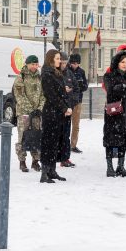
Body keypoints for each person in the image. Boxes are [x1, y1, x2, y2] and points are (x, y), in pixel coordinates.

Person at [39, 49, 73, 183]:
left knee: (56, 142)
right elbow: (51, 95)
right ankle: (44, 172)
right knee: (48, 143)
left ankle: (52, 170)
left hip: (59, 113)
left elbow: (62, 93)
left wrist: (67, 106)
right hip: (51, 113)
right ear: (51, 59)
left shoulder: (57, 73)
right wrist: (64, 107)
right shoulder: (47, 74)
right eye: (58, 58)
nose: (60, 61)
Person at [102, 50, 126, 178]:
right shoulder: (109, 75)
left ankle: (120, 166)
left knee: (124, 139)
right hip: (113, 112)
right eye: (122, 62)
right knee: (110, 139)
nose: (124, 64)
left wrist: (125, 85)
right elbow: (111, 90)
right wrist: (123, 86)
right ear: (117, 62)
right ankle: (109, 167)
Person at [12, 54, 44, 173]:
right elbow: (20, 96)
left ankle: (35, 161)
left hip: (37, 113)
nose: (34, 66)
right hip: (24, 113)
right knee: (23, 137)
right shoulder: (21, 77)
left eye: (36, 64)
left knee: (36, 136)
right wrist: (30, 110)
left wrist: (39, 108)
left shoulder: (39, 77)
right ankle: (22, 162)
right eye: (32, 64)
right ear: (27, 64)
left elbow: (43, 95)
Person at [66, 53, 89, 153]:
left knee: (75, 125)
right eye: (73, 63)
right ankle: (64, 145)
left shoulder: (81, 72)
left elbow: (85, 86)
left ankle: (73, 145)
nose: (75, 65)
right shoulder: (66, 71)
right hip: (66, 101)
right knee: (65, 125)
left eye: (77, 63)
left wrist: (79, 86)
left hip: (78, 102)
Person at [58, 52, 76, 168]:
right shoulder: (54, 74)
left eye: (65, 63)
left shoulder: (69, 74)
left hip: (68, 110)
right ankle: (57, 158)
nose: (64, 65)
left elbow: (77, 88)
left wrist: (72, 104)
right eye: (62, 63)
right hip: (58, 110)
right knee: (57, 135)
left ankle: (65, 158)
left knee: (66, 136)